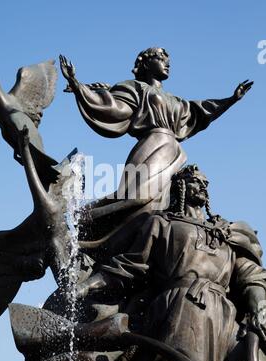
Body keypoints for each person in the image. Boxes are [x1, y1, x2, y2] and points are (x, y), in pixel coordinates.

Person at [79, 164, 266, 361]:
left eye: (206, 183)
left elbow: (251, 276)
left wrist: (259, 306)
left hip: (224, 315)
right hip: (181, 306)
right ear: (180, 186)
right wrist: (86, 285)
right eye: (196, 181)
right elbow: (129, 266)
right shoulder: (161, 223)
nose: (203, 186)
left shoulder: (226, 234)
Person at [59, 48, 253, 242]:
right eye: (161, 58)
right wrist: (77, 85)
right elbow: (113, 109)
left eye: (168, 60)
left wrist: (231, 100)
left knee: (164, 209)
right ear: (145, 64)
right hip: (151, 145)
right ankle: (86, 220)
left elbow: (200, 112)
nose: (167, 63)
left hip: (173, 152)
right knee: (139, 198)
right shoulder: (135, 88)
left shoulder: (176, 101)